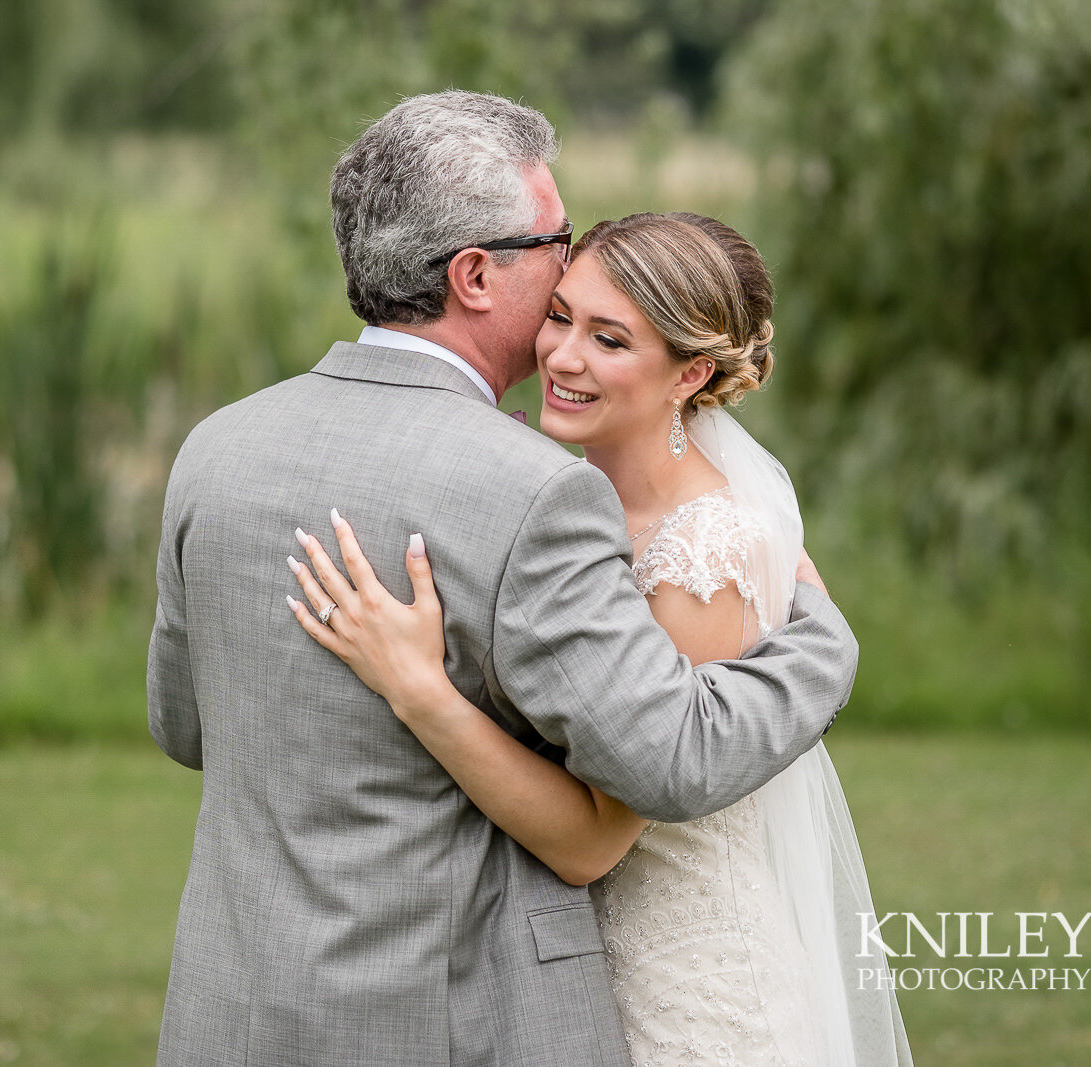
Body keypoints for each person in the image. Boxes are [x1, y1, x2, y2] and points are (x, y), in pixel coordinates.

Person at [147, 90, 858, 1066]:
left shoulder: (213, 447)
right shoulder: (535, 492)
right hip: (441, 1020)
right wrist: (822, 640)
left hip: (231, 1009)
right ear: (476, 273)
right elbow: (667, 763)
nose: (568, 264)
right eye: (555, 242)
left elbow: (183, 724)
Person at [285, 211, 912, 1064]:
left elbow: (595, 839)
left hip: (685, 991)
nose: (563, 357)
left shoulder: (706, 553)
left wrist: (421, 688)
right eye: (559, 316)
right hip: (563, 979)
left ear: (690, 372)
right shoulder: (564, 503)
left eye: (609, 339)